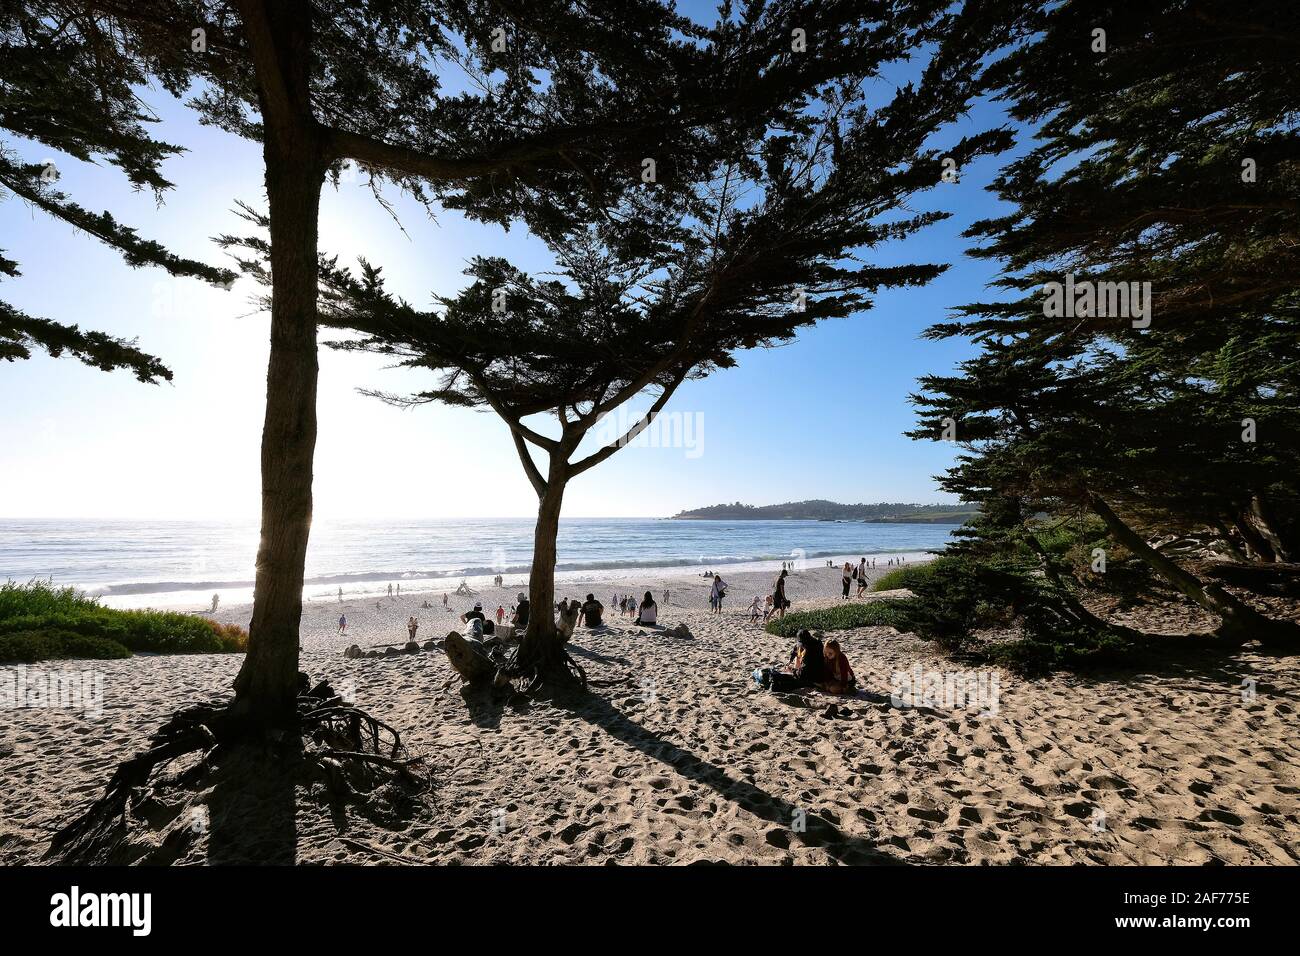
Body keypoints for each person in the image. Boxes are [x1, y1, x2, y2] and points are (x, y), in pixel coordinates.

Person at [753, 629, 825, 691]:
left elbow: (804, 673)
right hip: (817, 674)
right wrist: (790, 662)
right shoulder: (815, 643)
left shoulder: (810, 651)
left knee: (778, 679)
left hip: (813, 677)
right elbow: (795, 649)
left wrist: (792, 670)